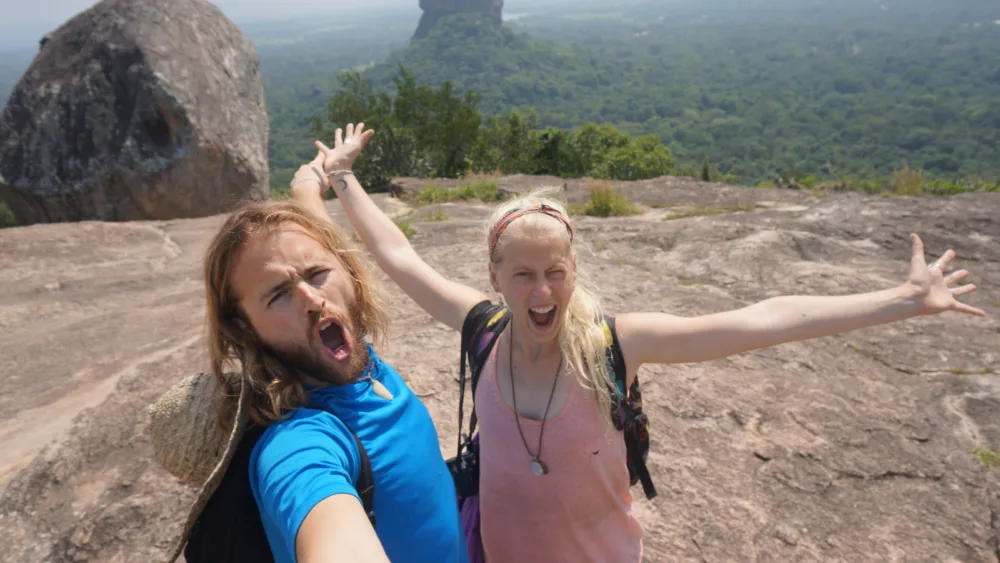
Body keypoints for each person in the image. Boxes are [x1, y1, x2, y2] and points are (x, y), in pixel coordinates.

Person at [296, 123, 986, 563]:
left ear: (574, 271)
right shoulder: (482, 327)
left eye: (557, 273)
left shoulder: (614, 346)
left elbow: (765, 317)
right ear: (495, 278)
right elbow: (399, 256)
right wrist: (344, 174)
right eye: (525, 276)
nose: (542, 293)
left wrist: (903, 299)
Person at [148, 138, 469, 563]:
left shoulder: (353, 363)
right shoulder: (300, 441)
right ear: (243, 326)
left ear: (346, 271)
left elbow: (321, 238)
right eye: (278, 294)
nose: (313, 298)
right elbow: (328, 524)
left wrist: (313, 180)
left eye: (317, 273)